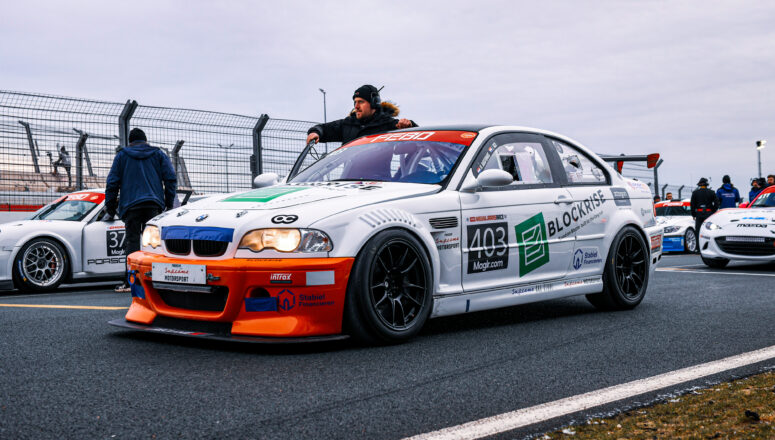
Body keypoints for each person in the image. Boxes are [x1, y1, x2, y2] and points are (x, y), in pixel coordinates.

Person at [105, 128, 177, 292]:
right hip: (154, 204)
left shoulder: (122, 156)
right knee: (153, 244)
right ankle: (156, 280)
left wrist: (110, 207)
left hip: (131, 205)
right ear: (146, 141)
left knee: (132, 242)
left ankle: (130, 281)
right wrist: (168, 203)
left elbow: (112, 183)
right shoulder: (158, 154)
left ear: (130, 142)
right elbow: (170, 178)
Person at [306, 84, 417, 146]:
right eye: (355, 102)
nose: (356, 106)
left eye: (361, 102)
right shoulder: (348, 123)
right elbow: (322, 128)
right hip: (348, 180)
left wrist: (409, 125)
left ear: (374, 103)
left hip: (379, 182)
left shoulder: (388, 124)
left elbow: (418, 137)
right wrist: (315, 132)